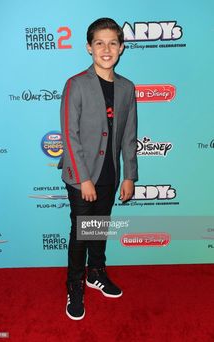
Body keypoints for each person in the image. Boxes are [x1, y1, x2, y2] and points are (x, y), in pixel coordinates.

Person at [60, 17, 138, 320]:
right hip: (82, 177)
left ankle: (96, 274)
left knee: (99, 230)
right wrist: (84, 179)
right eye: (100, 43)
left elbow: (130, 134)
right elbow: (69, 134)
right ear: (89, 48)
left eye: (112, 43)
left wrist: (129, 174)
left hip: (110, 174)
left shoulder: (127, 88)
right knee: (81, 233)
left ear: (121, 48)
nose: (106, 49)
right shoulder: (76, 85)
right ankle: (73, 286)